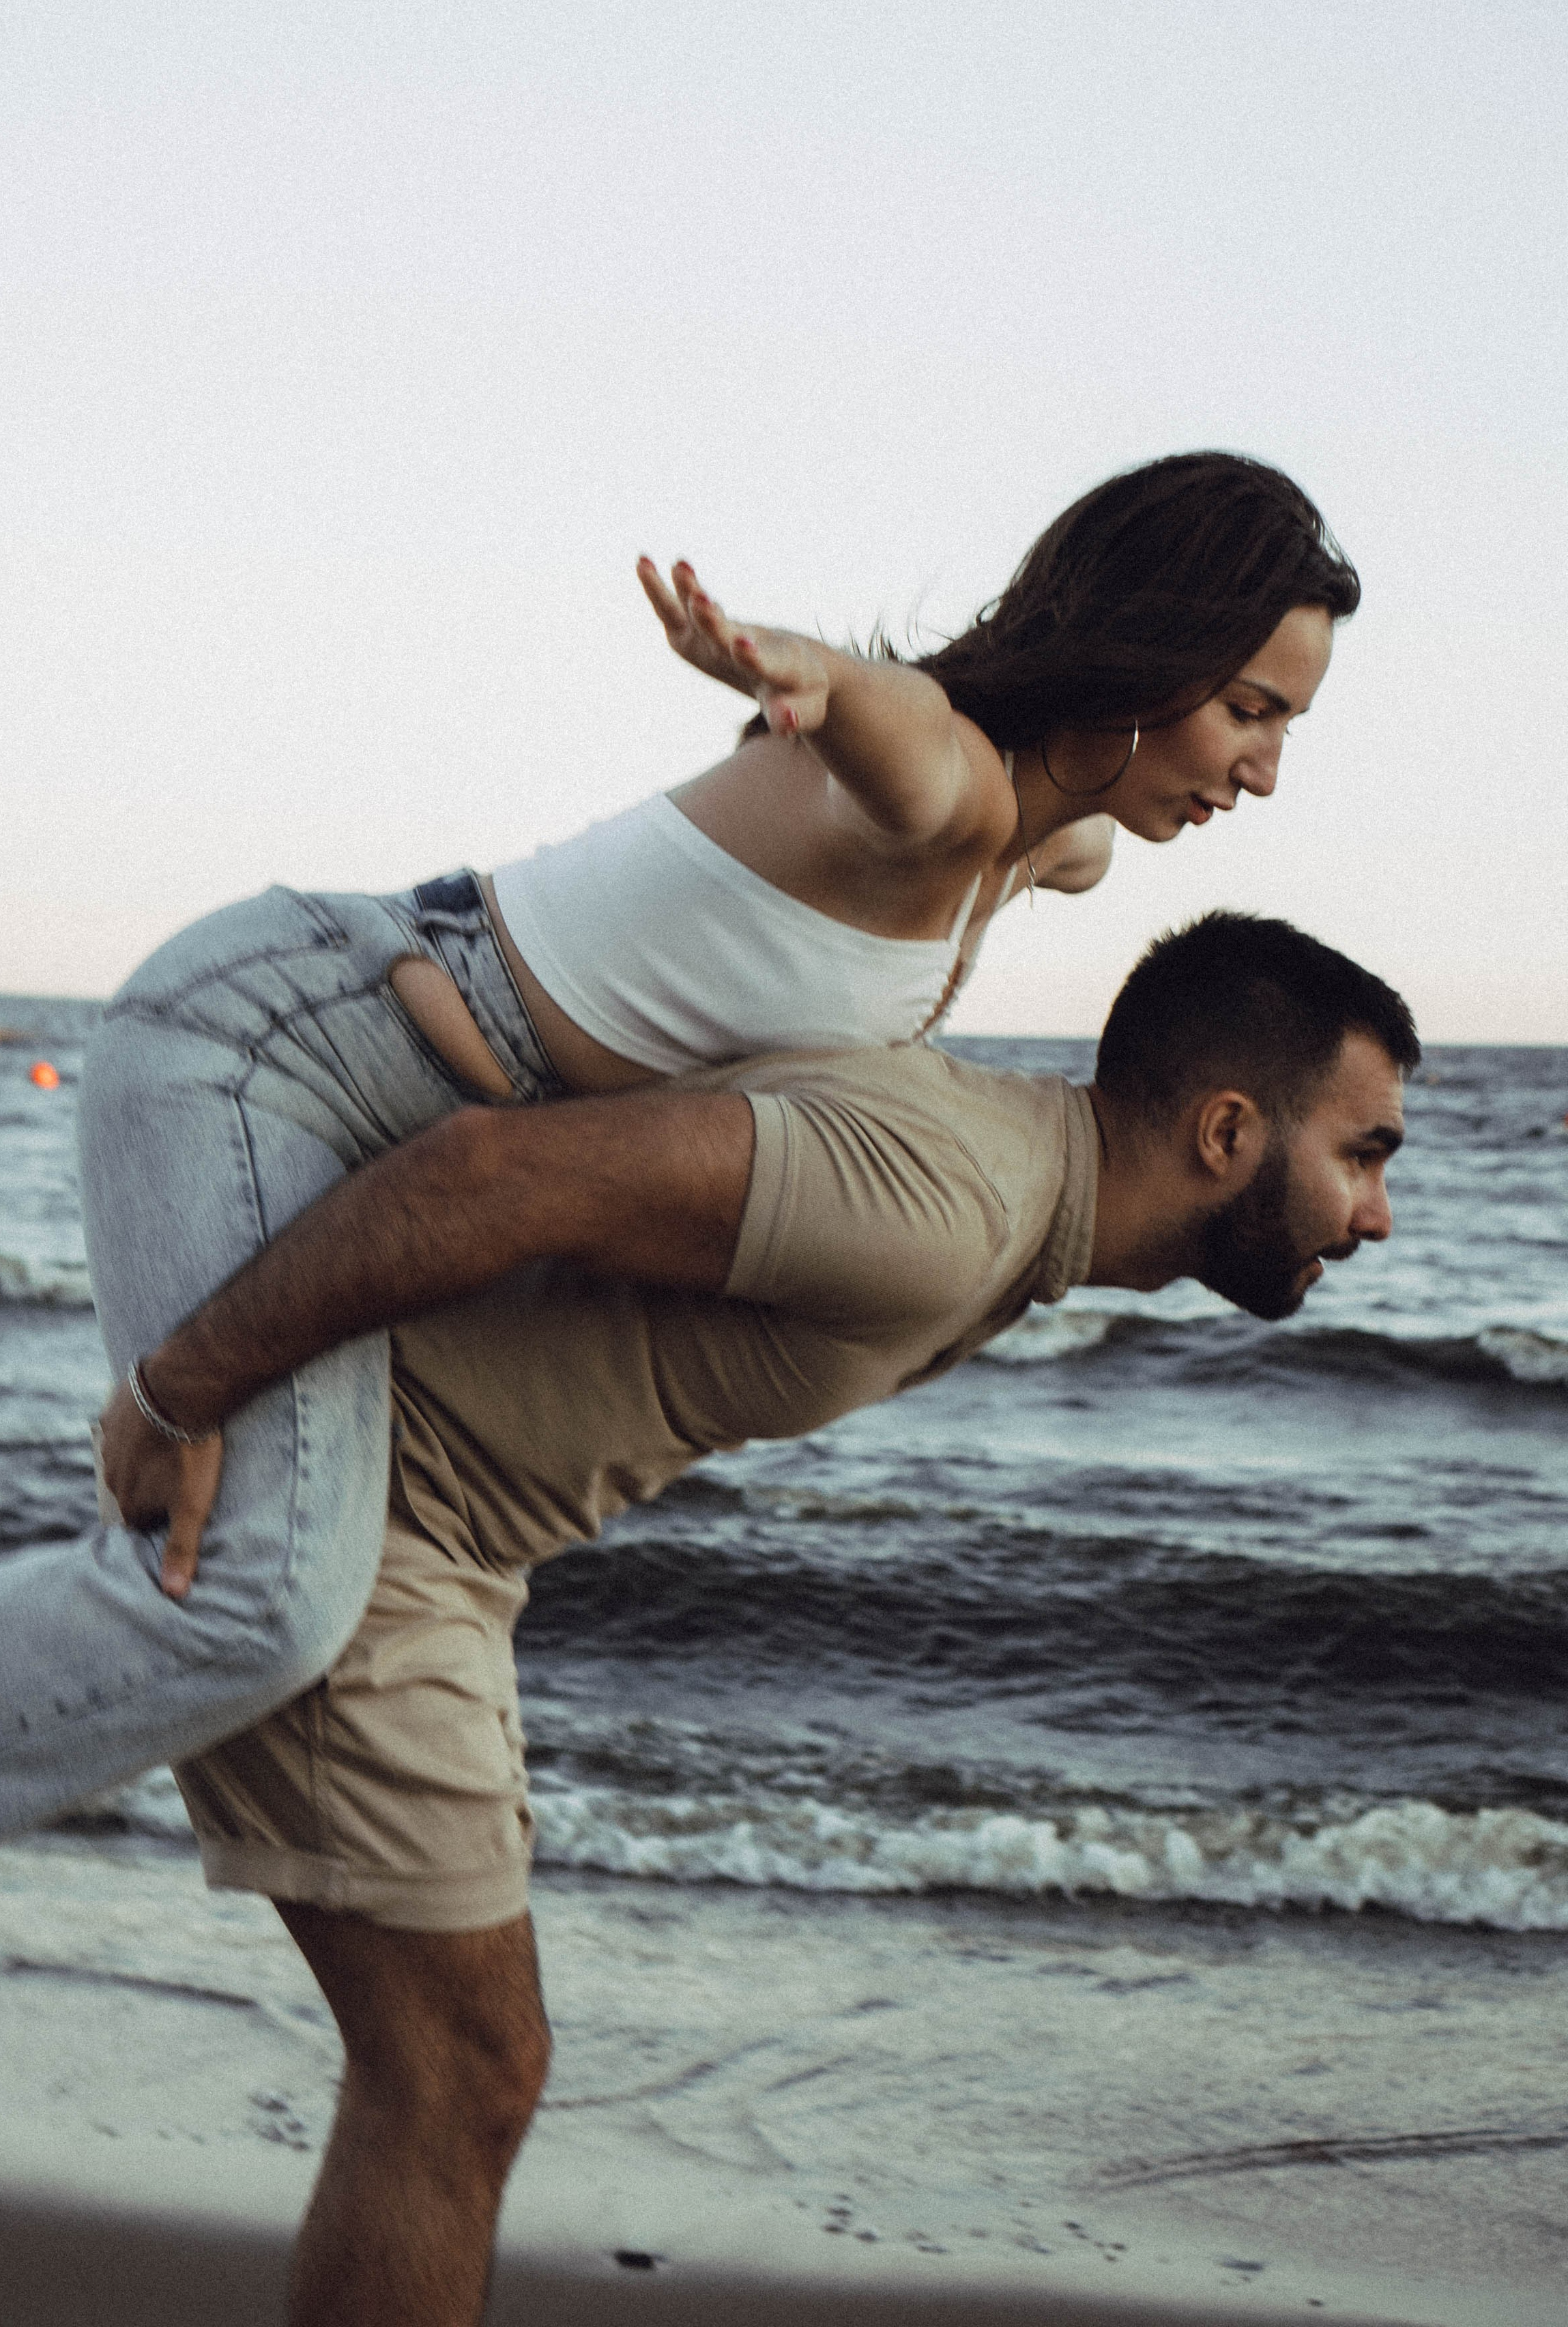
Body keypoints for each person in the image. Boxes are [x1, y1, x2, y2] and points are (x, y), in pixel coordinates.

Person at [0, 454, 1354, 1899]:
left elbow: (1030, 828)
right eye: (1246, 709)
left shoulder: (1040, 847)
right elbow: (899, 726)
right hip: (271, 1046)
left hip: (365, 1121)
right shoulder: (940, 783)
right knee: (260, 1604)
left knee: (278, 1599)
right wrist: (805, 673)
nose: (1267, 769)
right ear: (1146, 658)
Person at [75, 911, 1412, 2327]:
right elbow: (487, 1174)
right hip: (362, 1521)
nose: (1377, 1216)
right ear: (1223, 1132)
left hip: (437, 1544)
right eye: (1362, 1154)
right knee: (459, 2073)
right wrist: (179, 1392)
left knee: (460, 2072)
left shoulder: (999, 1184)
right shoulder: (945, 1203)